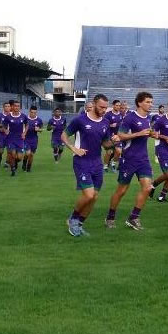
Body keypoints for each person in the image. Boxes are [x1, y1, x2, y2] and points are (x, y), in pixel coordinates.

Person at [62, 94, 117, 236]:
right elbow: (64, 135)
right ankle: (73, 219)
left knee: (95, 197)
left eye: (106, 107)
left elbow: (105, 144)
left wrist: (115, 141)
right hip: (82, 162)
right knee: (88, 195)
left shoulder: (105, 122)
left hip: (97, 163)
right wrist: (73, 148)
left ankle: (79, 225)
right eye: (101, 107)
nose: (104, 110)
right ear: (93, 104)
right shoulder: (80, 120)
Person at [106, 92, 159, 230]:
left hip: (143, 159)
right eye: (148, 102)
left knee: (147, 187)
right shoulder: (130, 118)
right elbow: (120, 135)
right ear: (139, 103)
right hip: (129, 159)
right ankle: (110, 217)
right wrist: (139, 134)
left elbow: (146, 133)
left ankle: (134, 217)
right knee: (122, 190)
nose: (150, 104)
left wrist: (153, 134)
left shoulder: (148, 118)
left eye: (151, 102)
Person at [2, 100, 27, 176]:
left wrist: (24, 133)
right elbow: (4, 125)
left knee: (19, 158)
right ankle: (13, 170)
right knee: (12, 154)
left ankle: (15, 163)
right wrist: (5, 130)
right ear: (12, 107)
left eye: (18, 106)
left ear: (20, 107)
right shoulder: (8, 117)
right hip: (11, 138)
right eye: (15, 106)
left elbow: (27, 125)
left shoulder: (23, 116)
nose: (17, 107)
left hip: (20, 138)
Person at [103, 100, 123, 172]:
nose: (118, 107)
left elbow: (122, 125)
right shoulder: (108, 114)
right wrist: (110, 125)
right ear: (113, 105)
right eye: (117, 105)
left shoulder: (121, 115)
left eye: (119, 105)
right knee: (109, 152)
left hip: (117, 137)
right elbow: (103, 124)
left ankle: (113, 163)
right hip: (109, 136)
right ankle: (105, 166)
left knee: (119, 151)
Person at [22, 105, 43, 172]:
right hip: (26, 138)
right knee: (27, 153)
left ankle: (28, 168)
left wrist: (38, 129)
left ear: (36, 113)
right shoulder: (25, 118)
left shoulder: (39, 120)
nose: (33, 114)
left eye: (34, 112)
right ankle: (24, 162)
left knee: (31, 154)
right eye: (32, 112)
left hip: (34, 139)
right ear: (29, 112)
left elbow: (41, 129)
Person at [0, 101, 12, 166]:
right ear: (3, 107)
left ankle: (7, 162)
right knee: (1, 151)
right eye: (6, 106)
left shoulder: (12, 115)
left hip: (10, 136)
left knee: (9, 150)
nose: (7, 107)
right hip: (1, 135)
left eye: (8, 106)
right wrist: (1, 129)